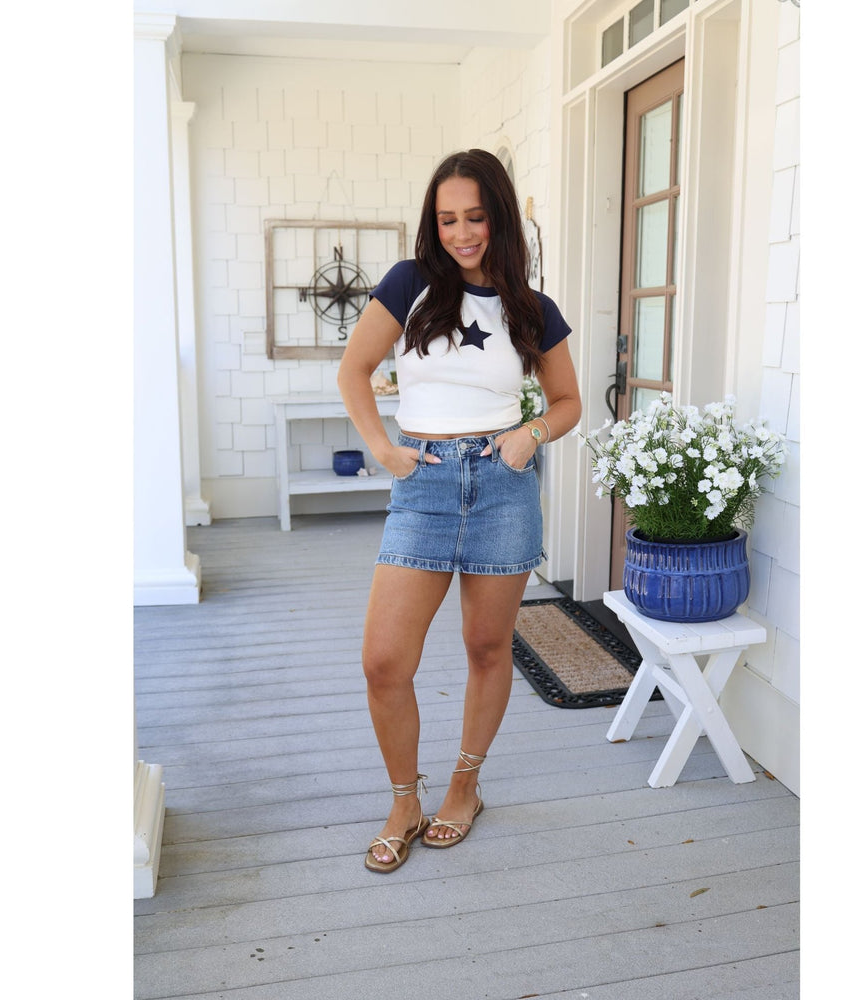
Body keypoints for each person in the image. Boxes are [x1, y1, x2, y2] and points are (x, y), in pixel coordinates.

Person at [337, 148, 582, 873]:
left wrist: (528, 435)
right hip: (426, 484)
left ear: (498, 218)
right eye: (447, 218)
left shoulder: (533, 310)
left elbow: (567, 402)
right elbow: (354, 370)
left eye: (475, 217)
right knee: (384, 660)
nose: (461, 232)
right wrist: (384, 450)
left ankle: (464, 786)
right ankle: (403, 799)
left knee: (486, 647)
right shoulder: (410, 284)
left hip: (502, 487)